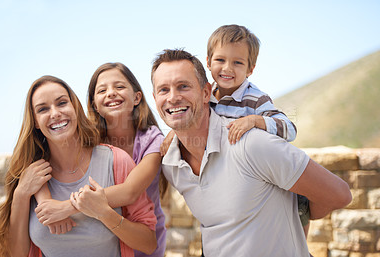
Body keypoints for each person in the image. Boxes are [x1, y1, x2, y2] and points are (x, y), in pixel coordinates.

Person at [151, 49, 352, 256]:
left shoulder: (251, 144)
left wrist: (295, 217)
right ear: (154, 98)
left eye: (183, 86)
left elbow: (338, 194)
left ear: (205, 93)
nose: (173, 97)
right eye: (163, 90)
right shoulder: (171, 165)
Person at [160, 24, 310, 236]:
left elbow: (289, 129)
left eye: (237, 62)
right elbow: (193, 120)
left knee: (294, 224)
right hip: (232, 179)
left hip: (270, 178)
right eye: (220, 60)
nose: (227, 68)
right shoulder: (206, 96)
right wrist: (174, 133)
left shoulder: (256, 99)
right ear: (209, 62)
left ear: (250, 69)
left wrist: (255, 121)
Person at [0, 75, 157, 257]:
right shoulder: (32, 177)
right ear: (35, 121)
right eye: (43, 109)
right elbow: (16, 254)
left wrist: (104, 213)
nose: (55, 113)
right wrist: (21, 194)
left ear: (75, 107)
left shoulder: (116, 161)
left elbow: (149, 243)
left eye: (61, 103)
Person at [34, 63, 167, 257]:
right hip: (103, 241)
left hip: (141, 241)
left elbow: (130, 191)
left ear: (137, 97)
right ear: (94, 104)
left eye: (119, 87)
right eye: (102, 90)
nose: (111, 93)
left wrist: (65, 208)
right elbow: (40, 156)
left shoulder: (152, 139)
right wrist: (44, 200)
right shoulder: (89, 140)